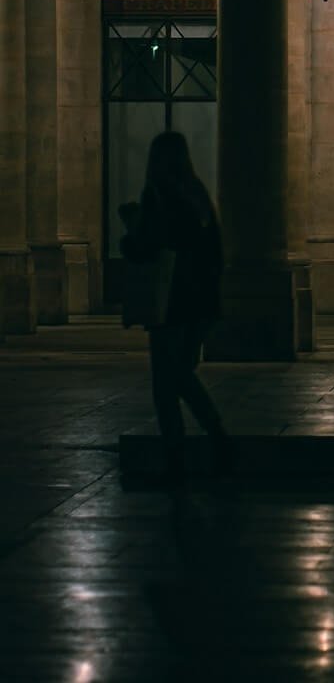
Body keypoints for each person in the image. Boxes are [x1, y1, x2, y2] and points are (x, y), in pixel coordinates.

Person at [119, 131, 232, 488]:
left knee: (165, 384)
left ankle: (179, 456)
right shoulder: (197, 194)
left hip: (170, 301)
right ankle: (216, 436)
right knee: (181, 373)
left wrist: (130, 234)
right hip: (199, 302)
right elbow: (214, 252)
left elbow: (150, 245)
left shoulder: (159, 194)